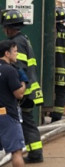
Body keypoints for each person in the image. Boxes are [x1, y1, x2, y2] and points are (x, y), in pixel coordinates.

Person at [1, 9, 44, 164]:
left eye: (5, 27)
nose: (4, 30)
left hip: (24, 91)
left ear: (9, 28)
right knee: (27, 121)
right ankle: (35, 152)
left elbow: (18, 67)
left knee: (25, 122)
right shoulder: (24, 38)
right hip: (29, 90)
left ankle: (35, 154)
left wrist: (17, 89)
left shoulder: (16, 43)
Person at [0, 39, 27, 167]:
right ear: (7, 53)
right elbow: (19, 94)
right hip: (7, 115)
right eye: (15, 51)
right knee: (16, 151)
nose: (17, 54)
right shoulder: (9, 70)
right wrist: (23, 82)